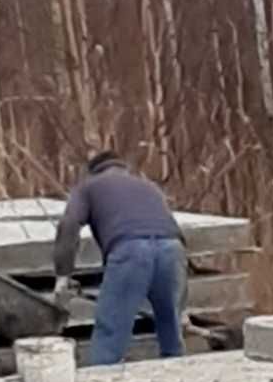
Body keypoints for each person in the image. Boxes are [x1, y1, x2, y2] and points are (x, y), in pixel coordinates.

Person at [52, 146, 188, 367]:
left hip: (130, 251)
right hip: (173, 249)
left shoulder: (88, 187)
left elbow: (69, 225)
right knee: (171, 328)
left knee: (111, 330)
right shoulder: (149, 187)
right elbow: (173, 230)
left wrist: (62, 275)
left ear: (92, 171)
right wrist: (182, 300)